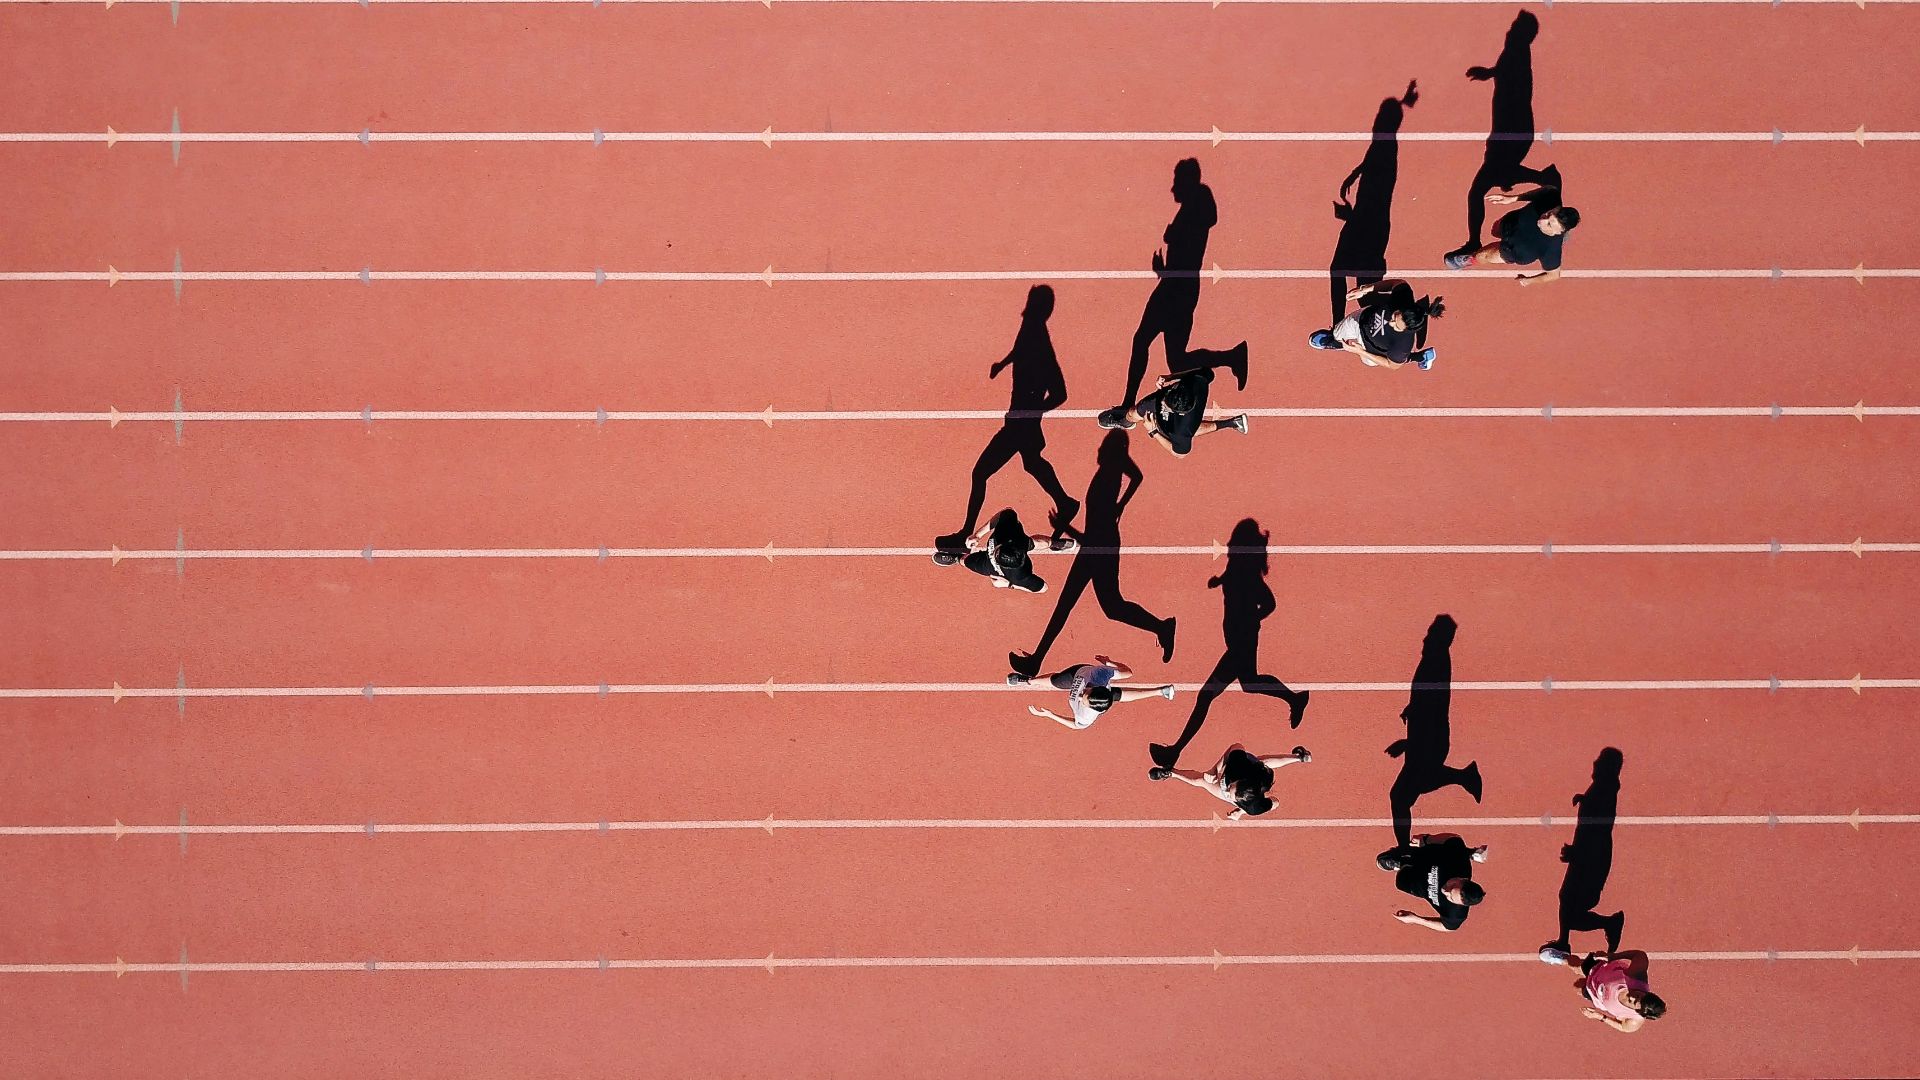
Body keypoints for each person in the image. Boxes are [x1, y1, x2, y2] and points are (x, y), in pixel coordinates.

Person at [1008, 431, 1176, 679]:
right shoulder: (1113, 469)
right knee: (1093, 606)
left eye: (1102, 447)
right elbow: (1137, 477)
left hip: (1101, 546)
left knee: (1102, 606)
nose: (1098, 451)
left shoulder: (1108, 475)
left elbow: (1133, 482)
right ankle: (1036, 660)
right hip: (1099, 545)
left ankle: (1162, 627)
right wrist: (1121, 505)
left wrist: (1067, 527)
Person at [1096, 159, 1249, 429]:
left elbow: (1189, 239)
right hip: (1180, 286)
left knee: (1143, 340)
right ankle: (1231, 357)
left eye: (1177, 181)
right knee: (1174, 358)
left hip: (1176, 289)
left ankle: (1127, 409)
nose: (1172, 188)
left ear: (1187, 182)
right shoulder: (1195, 208)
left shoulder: (1195, 209)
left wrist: (1170, 249)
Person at [936, 286, 1079, 551]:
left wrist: (1032, 413)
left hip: (1019, 424)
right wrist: (1003, 364)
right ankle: (1065, 501)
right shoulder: (1031, 330)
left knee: (980, 473)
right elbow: (1020, 349)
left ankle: (966, 535)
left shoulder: (1040, 343)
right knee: (1033, 464)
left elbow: (1061, 394)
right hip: (1019, 422)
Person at [1443, 174, 1579, 286]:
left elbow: (1554, 275)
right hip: (1511, 223)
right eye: (1548, 214)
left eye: (1549, 224)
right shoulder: (1551, 197)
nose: (1542, 220)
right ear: (1555, 208)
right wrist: (1513, 198)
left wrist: (1529, 281)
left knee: (1482, 256)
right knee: (1495, 230)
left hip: (1514, 250)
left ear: (1559, 232)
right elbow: (1546, 190)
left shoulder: (1551, 249)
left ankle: (1470, 259)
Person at [1102, 366, 1247, 457]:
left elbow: (1179, 453)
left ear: (1178, 412)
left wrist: (1153, 431)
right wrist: (1171, 377)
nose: (1163, 400)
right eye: (1169, 393)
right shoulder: (1197, 382)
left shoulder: (1182, 429)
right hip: (1185, 418)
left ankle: (1230, 424)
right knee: (1134, 411)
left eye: (1166, 402)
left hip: (1174, 427)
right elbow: (1204, 371)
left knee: (1185, 433)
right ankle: (1126, 422)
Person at [1009, 654, 1175, 729]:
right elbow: (1128, 672)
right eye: (1086, 692)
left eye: (1083, 698)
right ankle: (1029, 680)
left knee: (1120, 696)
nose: (1081, 694)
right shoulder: (1099, 674)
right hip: (1078, 673)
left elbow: (1075, 726)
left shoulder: (1085, 716)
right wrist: (1110, 663)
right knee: (1056, 680)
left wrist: (1049, 715)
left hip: (1097, 691)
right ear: (1098, 687)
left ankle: (1161, 691)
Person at [1308, 279, 1444, 370]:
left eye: (1395, 325)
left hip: (1370, 349)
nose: (1389, 321)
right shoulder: (1403, 297)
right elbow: (1396, 283)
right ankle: (1337, 341)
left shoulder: (1403, 343)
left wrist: (1360, 351)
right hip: (1361, 319)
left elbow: (1393, 365)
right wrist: (1365, 289)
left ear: (1407, 330)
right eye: (1394, 315)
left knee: (1370, 362)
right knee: (1337, 333)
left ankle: (1418, 357)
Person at [1148, 743, 1309, 819]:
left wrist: (1242, 811)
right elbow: (1236, 746)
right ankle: (1299, 757)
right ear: (1240, 781)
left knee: (1202, 782)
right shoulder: (1239, 765)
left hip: (1254, 785)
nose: (1227, 792)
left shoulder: (1254, 808)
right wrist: (1215, 770)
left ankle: (1171, 773)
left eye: (1232, 795)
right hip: (1249, 768)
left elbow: (1275, 803)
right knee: (1261, 761)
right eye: (1231, 788)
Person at [933, 507, 1072, 593]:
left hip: (991, 569)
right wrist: (978, 534)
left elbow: (1043, 588)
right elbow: (1004, 513)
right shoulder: (1007, 533)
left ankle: (957, 559)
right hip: (1011, 550)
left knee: (965, 561)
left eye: (995, 552)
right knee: (1035, 542)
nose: (992, 551)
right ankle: (1054, 543)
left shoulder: (1019, 577)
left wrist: (1009, 585)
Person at [1377, 832, 1488, 932]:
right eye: (1452, 886)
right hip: (1431, 858)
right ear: (1463, 879)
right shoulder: (1458, 861)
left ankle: (1403, 865)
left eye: (1450, 897)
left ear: (1460, 904)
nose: (1445, 890)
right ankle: (1405, 858)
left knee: (1400, 882)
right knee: (1419, 852)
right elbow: (1453, 838)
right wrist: (1426, 839)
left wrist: (1416, 919)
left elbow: (1447, 927)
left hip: (1421, 887)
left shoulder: (1456, 914)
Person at [1538, 948, 1668, 1032]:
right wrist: (1613, 957)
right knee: (1576, 966)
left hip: (1596, 994)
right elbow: (1639, 955)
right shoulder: (1636, 976)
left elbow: (1623, 1027)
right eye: (1639, 995)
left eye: (1634, 1002)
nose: (1633, 996)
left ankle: (1583, 980)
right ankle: (1562, 958)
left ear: (1639, 1012)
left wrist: (1600, 1017)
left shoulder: (1634, 1020)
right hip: (1599, 969)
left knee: (1577, 987)